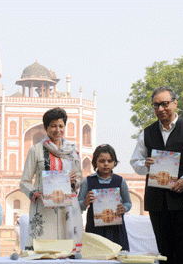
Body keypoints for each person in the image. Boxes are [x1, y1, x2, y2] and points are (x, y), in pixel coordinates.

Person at [130, 86, 183, 264]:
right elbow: (135, 162)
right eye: (156, 105)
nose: (161, 109)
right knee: (165, 253)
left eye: (165, 104)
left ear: (175, 103)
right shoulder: (147, 133)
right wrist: (145, 165)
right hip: (158, 202)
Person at [20, 107, 83, 250]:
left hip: (67, 208)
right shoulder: (36, 150)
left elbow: (79, 177)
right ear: (45, 127)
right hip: (43, 208)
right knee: (44, 252)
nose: (57, 130)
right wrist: (37, 194)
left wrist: (74, 182)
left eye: (61, 126)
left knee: (67, 253)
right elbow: (24, 182)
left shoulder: (73, 150)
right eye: (53, 126)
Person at [78, 144, 131, 250]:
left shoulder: (120, 181)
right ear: (95, 162)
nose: (106, 164)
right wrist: (86, 202)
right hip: (95, 229)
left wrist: (123, 208)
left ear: (114, 162)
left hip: (116, 229)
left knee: (117, 258)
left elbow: (128, 203)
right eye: (102, 161)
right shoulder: (88, 181)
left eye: (110, 161)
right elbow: (78, 204)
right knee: (96, 258)